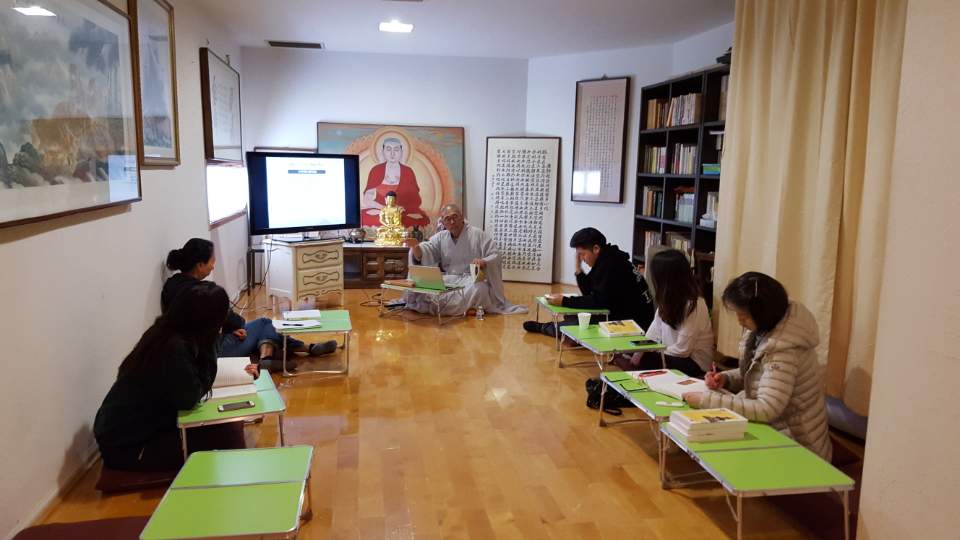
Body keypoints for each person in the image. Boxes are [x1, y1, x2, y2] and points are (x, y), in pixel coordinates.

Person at [94, 282, 257, 471]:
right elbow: (190, 398)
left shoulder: (165, 331)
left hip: (128, 432)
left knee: (227, 427)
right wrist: (213, 341)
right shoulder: (174, 347)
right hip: (129, 446)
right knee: (227, 435)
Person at [682, 272, 833, 461]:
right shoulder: (767, 328)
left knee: (713, 445)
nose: (740, 321)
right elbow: (758, 375)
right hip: (776, 427)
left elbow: (766, 409)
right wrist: (726, 378)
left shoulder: (785, 351)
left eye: (744, 316)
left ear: (763, 313)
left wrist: (707, 400)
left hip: (798, 444)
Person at [163, 238, 336, 368]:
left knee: (261, 329)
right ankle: (300, 349)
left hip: (188, 353)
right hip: (213, 353)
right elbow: (236, 321)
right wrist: (233, 328)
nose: (213, 266)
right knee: (264, 323)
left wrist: (229, 328)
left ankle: (270, 358)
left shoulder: (171, 285)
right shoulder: (203, 292)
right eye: (212, 262)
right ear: (200, 265)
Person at [523, 227, 653, 337]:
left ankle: (544, 328)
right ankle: (559, 332)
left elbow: (597, 301)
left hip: (633, 323)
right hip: (618, 311)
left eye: (582, 254)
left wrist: (564, 301)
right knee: (574, 315)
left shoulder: (611, 265)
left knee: (577, 323)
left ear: (596, 249)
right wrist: (578, 268)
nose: (581, 258)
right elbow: (589, 291)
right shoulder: (606, 258)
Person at [402, 204, 527, 315]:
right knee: (427, 287)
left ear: (462, 217)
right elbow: (427, 249)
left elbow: (495, 255)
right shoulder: (441, 237)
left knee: (480, 290)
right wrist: (416, 248)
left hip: (470, 281)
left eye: (455, 217)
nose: (452, 221)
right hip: (449, 279)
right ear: (443, 223)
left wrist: (484, 261)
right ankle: (467, 307)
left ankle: (460, 307)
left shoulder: (477, 234)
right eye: (448, 219)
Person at [614, 249, 714, 377]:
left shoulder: (695, 304)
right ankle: (634, 369)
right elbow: (652, 334)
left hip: (694, 363)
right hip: (670, 354)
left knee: (647, 359)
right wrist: (638, 351)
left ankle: (634, 370)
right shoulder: (667, 300)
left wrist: (651, 352)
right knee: (629, 349)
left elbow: (682, 350)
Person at [361, 137, 429, 228]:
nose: (392, 153)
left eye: (396, 149)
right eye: (388, 149)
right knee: (365, 217)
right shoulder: (376, 170)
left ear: (401, 152)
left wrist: (399, 209)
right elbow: (367, 199)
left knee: (419, 218)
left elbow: (416, 200)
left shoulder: (408, 171)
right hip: (381, 210)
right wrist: (384, 208)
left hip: (402, 211)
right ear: (383, 151)